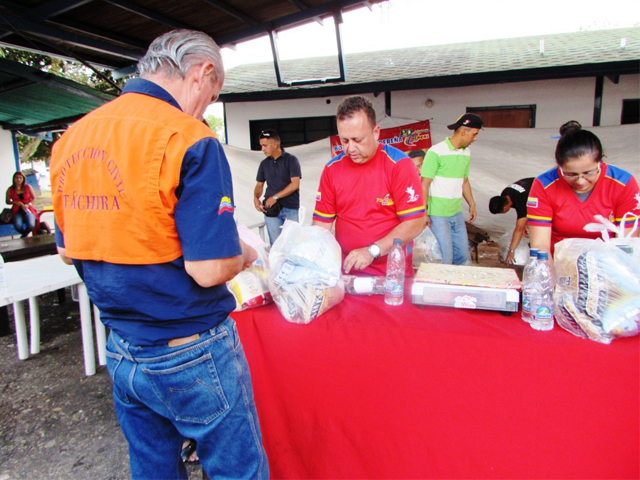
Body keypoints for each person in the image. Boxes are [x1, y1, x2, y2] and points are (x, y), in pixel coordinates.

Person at [50, 30, 268, 480]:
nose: (206, 106)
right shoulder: (189, 137)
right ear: (201, 73)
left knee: (153, 468)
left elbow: (67, 252)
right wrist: (246, 251)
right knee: (236, 470)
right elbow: (209, 270)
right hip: (190, 348)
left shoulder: (72, 137)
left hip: (123, 350)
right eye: (212, 95)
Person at [312, 95, 425, 277]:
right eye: (345, 141)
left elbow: (415, 223)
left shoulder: (399, 165)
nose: (350, 148)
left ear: (376, 132)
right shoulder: (332, 169)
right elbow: (322, 225)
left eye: (358, 140)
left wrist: (372, 251)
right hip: (347, 273)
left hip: (391, 276)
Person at [528, 121, 640, 258]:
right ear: (559, 167)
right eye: (570, 174)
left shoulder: (623, 184)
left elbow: (626, 246)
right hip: (559, 263)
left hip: (608, 266)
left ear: (600, 161)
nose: (580, 181)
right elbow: (541, 246)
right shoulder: (544, 185)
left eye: (588, 172)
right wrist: (549, 276)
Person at [421, 113, 483, 265]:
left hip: (456, 212)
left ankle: (458, 288)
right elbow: (424, 183)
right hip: (438, 214)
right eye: (474, 134)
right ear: (464, 131)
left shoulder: (466, 153)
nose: (475, 138)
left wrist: (472, 204)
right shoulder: (435, 152)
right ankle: (443, 288)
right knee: (445, 259)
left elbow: (465, 181)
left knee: (463, 257)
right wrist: (423, 212)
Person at [253, 129, 302, 244]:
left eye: (265, 145)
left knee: (293, 243)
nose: (262, 149)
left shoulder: (291, 160)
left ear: (275, 144)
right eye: (261, 146)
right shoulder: (264, 164)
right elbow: (259, 184)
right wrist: (255, 198)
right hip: (272, 210)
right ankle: (277, 262)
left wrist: (275, 197)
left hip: (290, 208)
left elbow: (295, 184)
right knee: (275, 244)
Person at [489, 177, 535, 264]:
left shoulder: (521, 200)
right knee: (528, 227)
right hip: (533, 190)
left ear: (505, 208)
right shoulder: (506, 193)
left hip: (548, 191)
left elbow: (519, 229)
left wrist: (511, 252)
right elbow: (526, 211)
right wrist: (526, 224)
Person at [6, 171, 37, 237]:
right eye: (16, 178)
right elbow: (7, 201)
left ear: (23, 179)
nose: (18, 180)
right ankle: (25, 236)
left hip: (28, 209)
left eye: (20, 178)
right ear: (14, 179)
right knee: (17, 226)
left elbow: (34, 198)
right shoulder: (10, 189)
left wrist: (28, 204)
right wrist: (14, 202)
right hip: (17, 211)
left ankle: (23, 237)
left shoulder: (28, 187)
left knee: (31, 225)